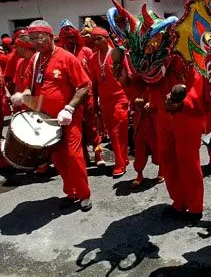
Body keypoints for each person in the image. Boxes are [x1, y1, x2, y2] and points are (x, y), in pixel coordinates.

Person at [10, 20, 92, 211]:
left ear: (49, 36)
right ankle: (71, 192)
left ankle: (84, 194)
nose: (35, 43)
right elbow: (30, 90)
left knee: (73, 156)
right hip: (45, 119)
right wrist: (22, 97)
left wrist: (69, 109)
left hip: (67, 118)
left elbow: (84, 85)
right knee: (58, 158)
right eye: (32, 39)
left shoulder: (67, 58)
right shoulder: (36, 60)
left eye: (38, 38)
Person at [58, 19, 105, 168]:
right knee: (76, 128)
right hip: (71, 98)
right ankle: (83, 156)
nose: (71, 40)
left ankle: (98, 155)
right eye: (67, 38)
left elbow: (95, 73)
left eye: (73, 37)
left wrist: (97, 95)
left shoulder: (85, 51)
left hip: (88, 94)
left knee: (92, 126)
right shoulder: (60, 53)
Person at [88, 27, 129, 177]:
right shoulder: (93, 58)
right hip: (105, 101)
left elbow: (127, 76)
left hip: (120, 97)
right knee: (112, 133)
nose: (96, 42)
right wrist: (95, 101)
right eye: (94, 39)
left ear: (106, 38)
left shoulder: (117, 54)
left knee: (119, 131)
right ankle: (123, 158)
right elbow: (95, 82)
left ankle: (119, 164)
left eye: (99, 38)